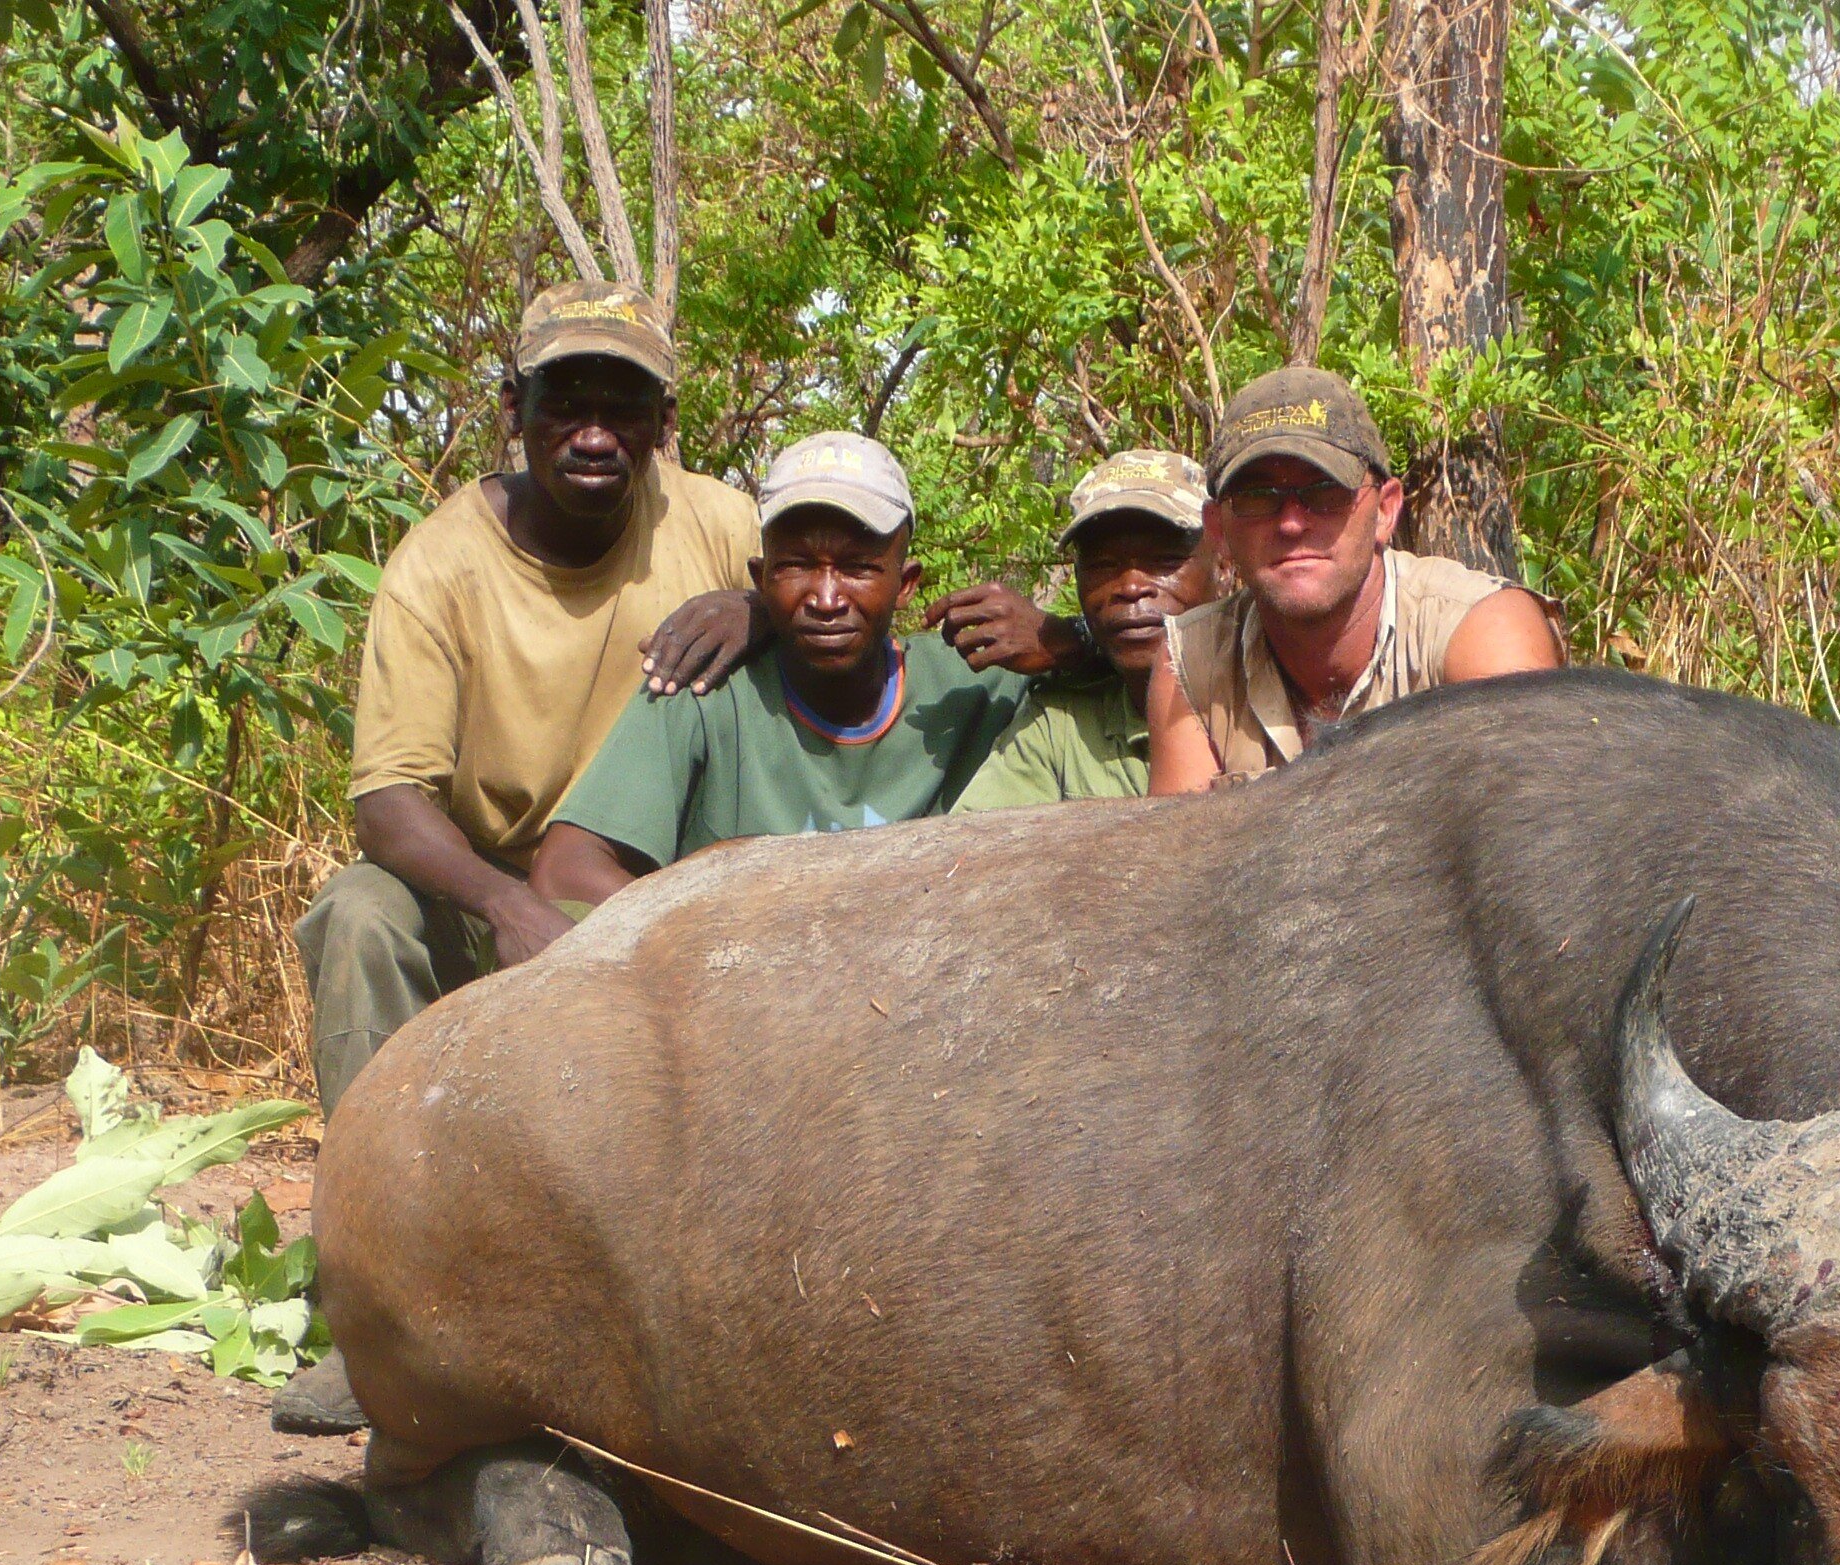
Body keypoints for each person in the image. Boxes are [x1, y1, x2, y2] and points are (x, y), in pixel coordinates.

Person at [296, 281, 763, 1121]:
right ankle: (374, 1195)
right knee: (358, 915)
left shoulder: (724, 526)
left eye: (623, 410)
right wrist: (509, 907)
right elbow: (388, 803)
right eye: (565, 406)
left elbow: (842, 618)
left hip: (659, 894)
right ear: (515, 409)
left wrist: (758, 610)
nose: (594, 436)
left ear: (663, 421)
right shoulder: (438, 565)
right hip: (494, 890)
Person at [529, 431, 1026, 894]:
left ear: (907, 583)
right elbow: (564, 869)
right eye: (797, 566)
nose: (826, 598)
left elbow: (1102, 672)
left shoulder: (972, 682)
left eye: (857, 569)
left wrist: (1071, 637)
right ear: (760, 578)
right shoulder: (707, 685)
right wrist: (711, 933)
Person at [1147, 367, 1561, 790]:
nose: (1291, 523)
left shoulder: (1480, 632)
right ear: (1217, 529)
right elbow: (1184, 852)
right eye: (1257, 497)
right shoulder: (1190, 662)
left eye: (1325, 492)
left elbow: (1524, 838)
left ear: (1385, 511)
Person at [951, 450, 1220, 812]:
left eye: (1164, 561)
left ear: (1226, 565)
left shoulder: (1273, 696)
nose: (1131, 586)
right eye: (1103, 565)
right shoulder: (1062, 723)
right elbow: (970, 851)